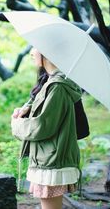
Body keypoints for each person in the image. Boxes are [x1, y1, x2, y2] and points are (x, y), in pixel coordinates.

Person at [11, 47, 82, 209]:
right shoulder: (52, 83)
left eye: (35, 48)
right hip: (50, 157)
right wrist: (26, 109)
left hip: (52, 160)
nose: (31, 52)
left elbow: (42, 126)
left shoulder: (57, 87)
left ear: (47, 52)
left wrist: (16, 124)